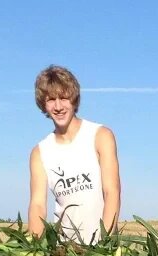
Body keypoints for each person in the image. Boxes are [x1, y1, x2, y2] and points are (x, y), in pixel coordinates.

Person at [26, 65, 121, 244]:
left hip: (100, 246)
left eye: (63, 98)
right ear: (43, 104)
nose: (58, 106)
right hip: (65, 250)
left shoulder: (100, 136)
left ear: (74, 99)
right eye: (51, 100)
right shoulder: (40, 152)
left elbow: (112, 192)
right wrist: (33, 250)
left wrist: (104, 244)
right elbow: (37, 204)